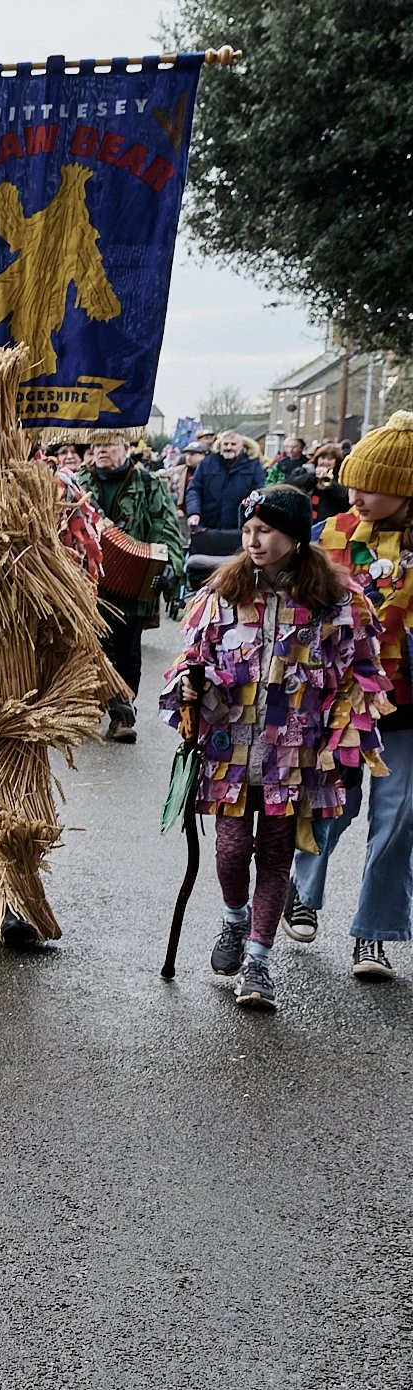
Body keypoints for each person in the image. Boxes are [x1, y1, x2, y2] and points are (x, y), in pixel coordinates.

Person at [159, 486, 386, 1011]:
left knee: (277, 853)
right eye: (247, 531)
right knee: (233, 849)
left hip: (297, 756)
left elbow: (361, 676)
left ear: (293, 536)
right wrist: (189, 684)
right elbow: (189, 658)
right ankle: (235, 921)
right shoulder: (222, 592)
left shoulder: (338, 603)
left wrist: (344, 742)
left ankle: (258, 963)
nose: (253, 541)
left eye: (264, 530)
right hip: (230, 751)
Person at [287, 413, 413, 980]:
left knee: (399, 818)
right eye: (353, 481)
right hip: (336, 703)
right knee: (330, 806)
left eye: (373, 485)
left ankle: (374, 934)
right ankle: (302, 892)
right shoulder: (327, 535)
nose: (357, 494)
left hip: (408, 708)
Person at [77, 428, 187, 743]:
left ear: (126, 447)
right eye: (96, 444)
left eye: (109, 444)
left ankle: (123, 710)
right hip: (88, 586)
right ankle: (102, 711)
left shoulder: (149, 485)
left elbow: (166, 530)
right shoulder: (79, 484)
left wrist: (168, 566)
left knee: (126, 652)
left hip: (132, 583)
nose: (101, 450)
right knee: (93, 648)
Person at [185, 429, 266, 533]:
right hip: (208, 526)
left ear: (242, 446)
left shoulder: (253, 465)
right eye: (226, 444)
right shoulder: (207, 463)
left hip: (239, 527)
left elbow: (259, 492)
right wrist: (194, 512)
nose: (229, 447)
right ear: (220, 445)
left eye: (233, 444)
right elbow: (194, 489)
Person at [297, 442, 351, 526]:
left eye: (330, 459)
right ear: (317, 459)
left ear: (336, 461)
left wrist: (331, 484)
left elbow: (345, 499)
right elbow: (293, 484)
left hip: (329, 523)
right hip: (306, 521)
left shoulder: (342, 476)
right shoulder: (305, 471)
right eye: (323, 458)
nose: (325, 462)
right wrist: (313, 477)